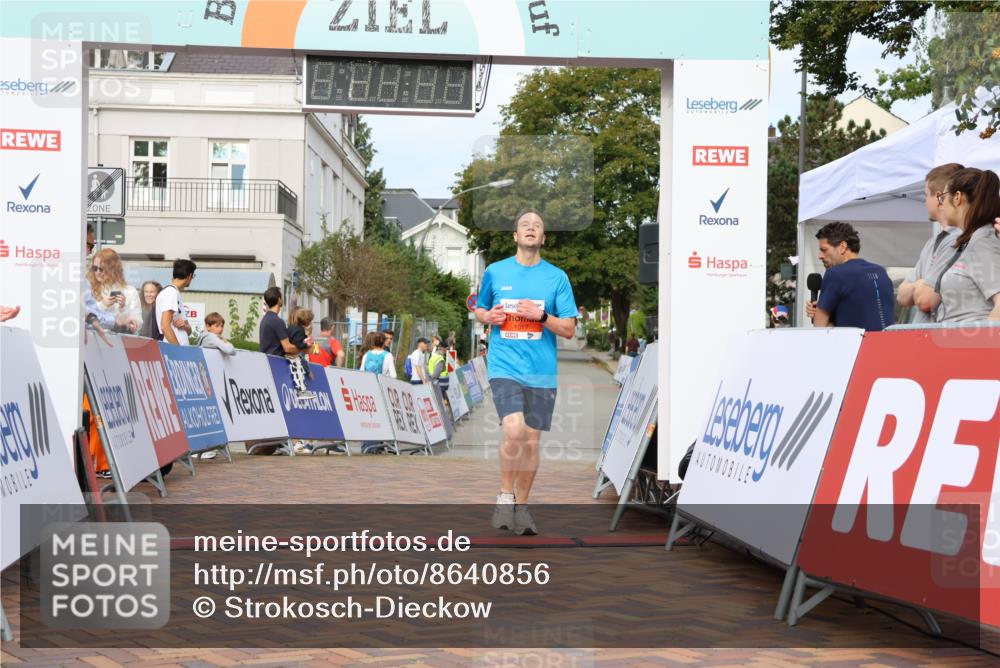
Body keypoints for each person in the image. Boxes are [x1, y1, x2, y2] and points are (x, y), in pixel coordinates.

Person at [475, 207, 578, 536]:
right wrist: (487, 317)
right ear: (515, 236)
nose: (531, 228)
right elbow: (480, 308)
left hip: (541, 372)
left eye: (537, 226)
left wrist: (541, 316)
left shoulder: (557, 278)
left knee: (531, 443)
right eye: (525, 225)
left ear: (543, 238)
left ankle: (522, 507)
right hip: (504, 366)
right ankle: (505, 497)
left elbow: (569, 329)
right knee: (514, 430)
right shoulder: (495, 272)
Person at [913, 168, 1000, 322]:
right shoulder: (971, 241)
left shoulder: (982, 240)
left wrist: (983, 335)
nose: (941, 204)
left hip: (971, 335)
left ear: (957, 197)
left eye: (943, 197)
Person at [897, 163, 964, 323]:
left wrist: (919, 284)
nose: (925, 202)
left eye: (926, 195)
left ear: (940, 198)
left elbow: (925, 300)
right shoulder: (932, 243)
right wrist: (921, 285)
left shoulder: (959, 239)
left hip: (940, 334)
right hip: (926, 334)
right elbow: (901, 297)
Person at [805, 222, 894, 332]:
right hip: (888, 340)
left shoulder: (835, 273)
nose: (820, 256)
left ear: (842, 247)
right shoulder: (881, 271)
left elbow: (819, 330)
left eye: (824, 250)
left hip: (857, 343)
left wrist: (820, 315)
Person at [84, 248, 143, 334]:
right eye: (95, 268)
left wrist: (123, 308)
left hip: (120, 340)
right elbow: (85, 316)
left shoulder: (130, 291)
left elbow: (137, 324)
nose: (98, 272)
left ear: (113, 269)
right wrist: (102, 305)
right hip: (93, 339)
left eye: (102, 269)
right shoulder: (88, 288)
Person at [156, 259, 196, 345]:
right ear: (190, 276)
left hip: (180, 348)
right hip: (174, 350)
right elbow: (165, 326)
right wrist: (177, 350)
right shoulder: (171, 292)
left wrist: (185, 326)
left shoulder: (174, 292)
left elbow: (189, 332)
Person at [285, 307, 317, 401]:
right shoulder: (299, 330)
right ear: (307, 321)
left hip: (289, 355)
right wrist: (306, 344)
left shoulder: (291, 328)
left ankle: (302, 390)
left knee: (298, 371)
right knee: (299, 372)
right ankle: (301, 391)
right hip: (292, 356)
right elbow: (298, 343)